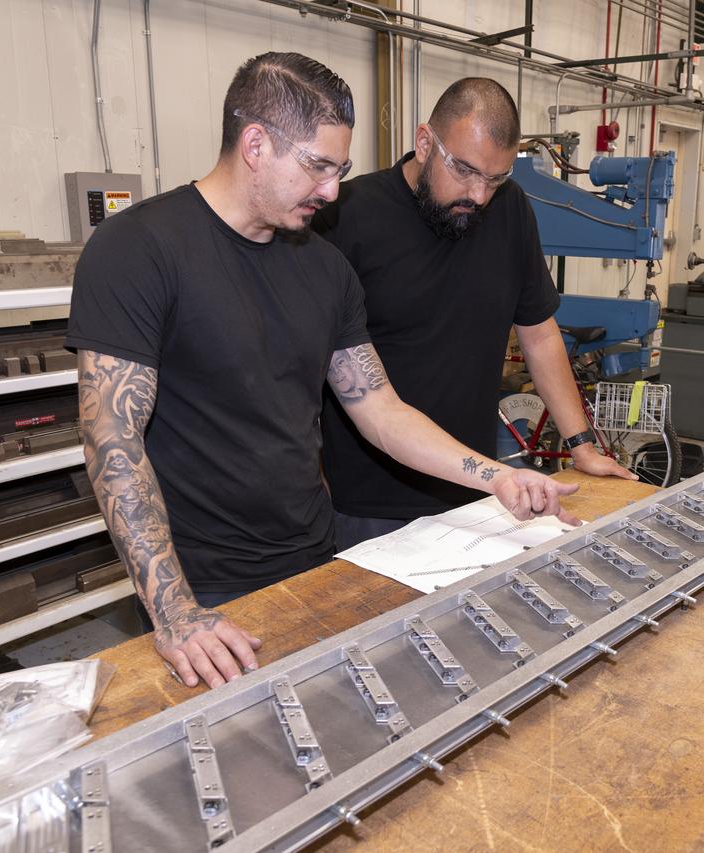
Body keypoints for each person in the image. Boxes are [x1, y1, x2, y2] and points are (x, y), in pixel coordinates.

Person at [67, 53, 580, 691]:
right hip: (203, 583)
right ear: (255, 144)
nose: (333, 191)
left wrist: (497, 475)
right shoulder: (139, 250)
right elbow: (112, 439)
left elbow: (382, 413)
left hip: (316, 555)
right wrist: (174, 611)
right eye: (317, 166)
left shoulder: (323, 268)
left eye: (340, 169)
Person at [313, 78, 635, 551]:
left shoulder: (510, 210)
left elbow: (540, 335)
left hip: (478, 493)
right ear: (425, 143)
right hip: (369, 506)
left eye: (495, 177)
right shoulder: (346, 216)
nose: (479, 194)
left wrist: (581, 444)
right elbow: (308, 365)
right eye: (464, 171)